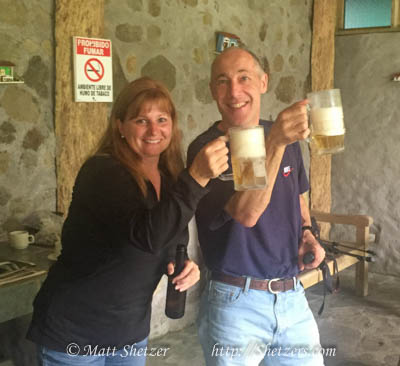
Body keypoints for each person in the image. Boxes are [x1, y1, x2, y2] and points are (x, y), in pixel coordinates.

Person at [27, 77, 229, 366]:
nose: (154, 130)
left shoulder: (170, 175)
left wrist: (184, 264)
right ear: (119, 126)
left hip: (129, 331)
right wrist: (196, 177)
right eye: (141, 120)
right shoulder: (104, 171)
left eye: (162, 119)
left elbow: (172, 236)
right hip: (76, 331)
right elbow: (147, 236)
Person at [187, 46, 326, 365]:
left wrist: (307, 232)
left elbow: (298, 197)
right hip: (236, 303)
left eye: (244, 78)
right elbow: (247, 213)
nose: (234, 91)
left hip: (292, 296)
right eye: (222, 81)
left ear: (264, 82)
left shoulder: (285, 140)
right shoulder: (207, 150)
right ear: (212, 91)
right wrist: (275, 140)